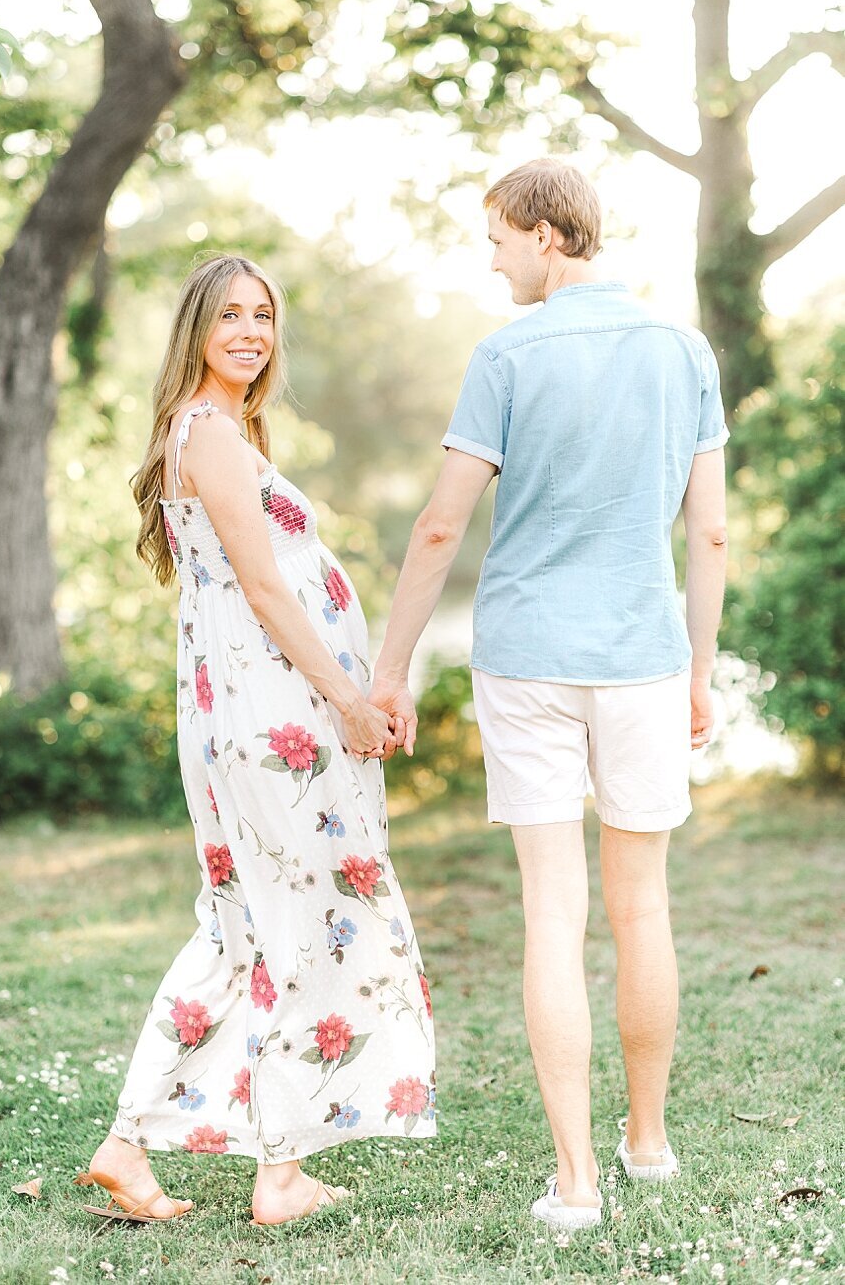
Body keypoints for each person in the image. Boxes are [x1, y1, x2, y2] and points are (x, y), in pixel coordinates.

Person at [369, 159, 728, 1232]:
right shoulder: (684, 351)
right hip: (645, 657)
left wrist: (390, 671)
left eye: (497, 239)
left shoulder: (507, 354)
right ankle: (647, 1145)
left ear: (547, 237)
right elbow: (707, 530)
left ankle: (575, 1183)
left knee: (552, 915)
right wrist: (700, 670)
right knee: (645, 906)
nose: (492, 260)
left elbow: (440, 526)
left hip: (527, 658)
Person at [75, 255, 435, 1228]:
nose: (249, 331)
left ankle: (130, 1144)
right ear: (194, 326)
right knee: (296, 922)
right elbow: (269, 592)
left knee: (247, 927)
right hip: (276, 726)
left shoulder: (209, 432)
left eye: (264, 316)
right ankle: (278, 1171)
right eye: (229, 314)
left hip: (253, 720)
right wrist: (349, 703)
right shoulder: (213, 438)